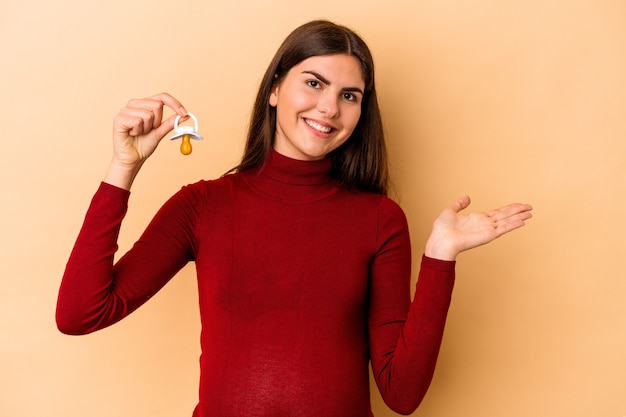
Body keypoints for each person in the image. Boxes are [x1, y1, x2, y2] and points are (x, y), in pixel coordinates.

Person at [56, 20, 532, 417]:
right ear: (275, 89)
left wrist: (439, 258)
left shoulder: (379, 219)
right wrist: (124, 168)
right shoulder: (202, 206)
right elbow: (80, 314)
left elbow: (401, 394)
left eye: (351, 95)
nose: (329, 107)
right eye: (314, 83)